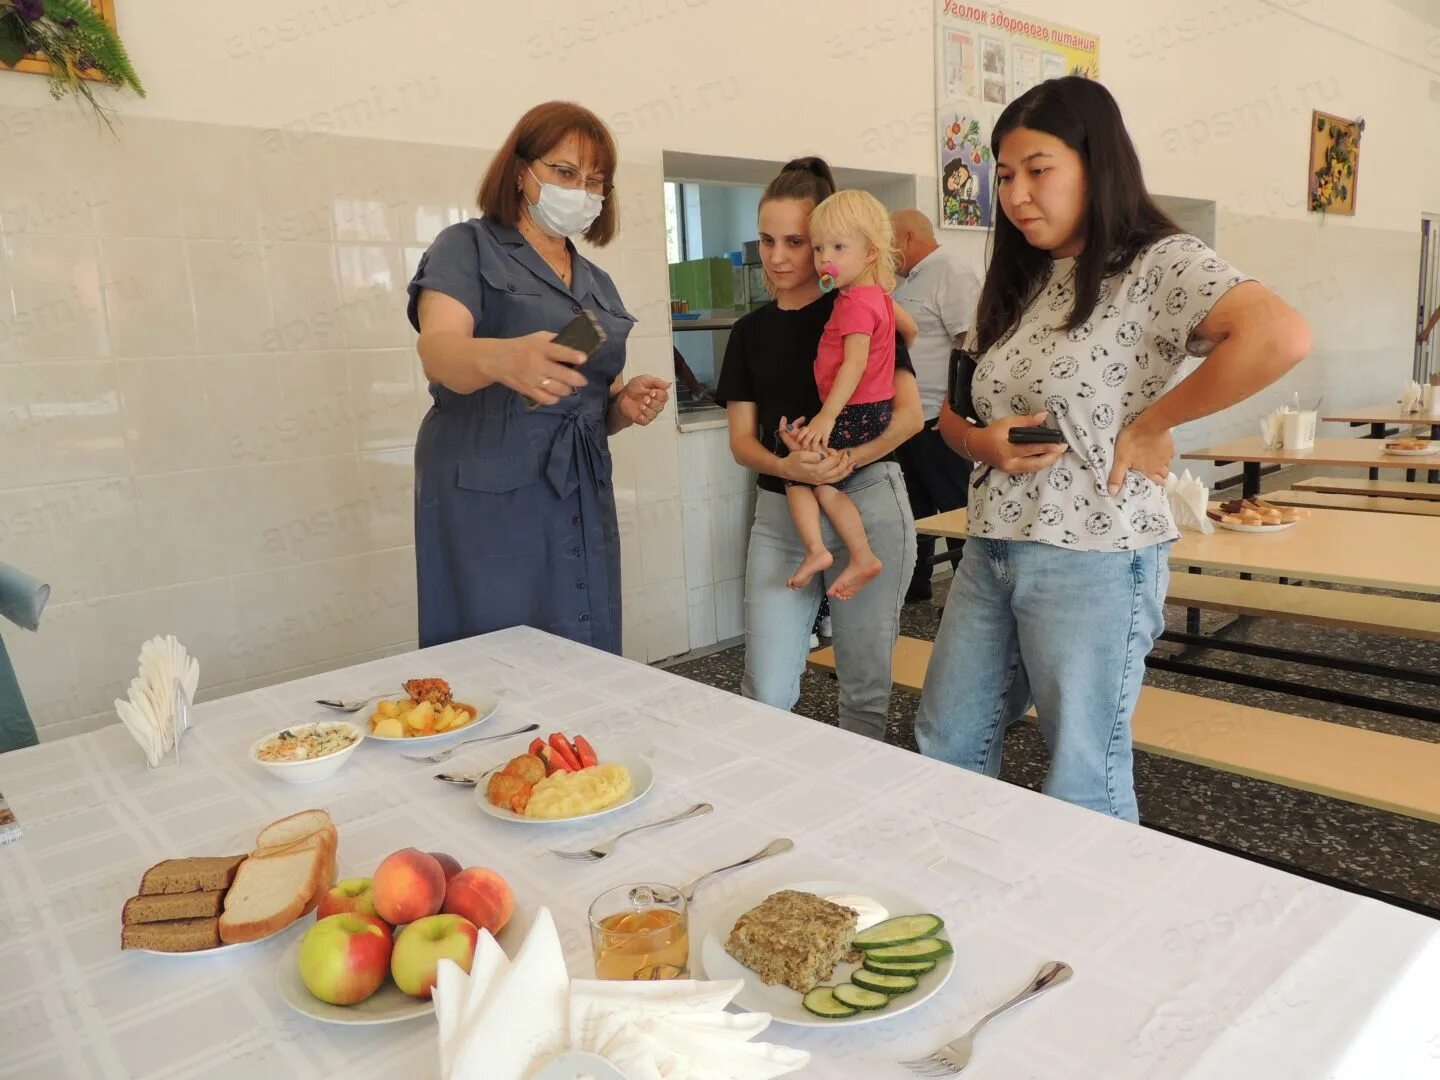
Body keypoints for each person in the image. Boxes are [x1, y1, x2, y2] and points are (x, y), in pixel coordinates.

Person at [915, 78, 1310, 821]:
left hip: (1093, 554)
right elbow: (954, 414)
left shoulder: (1157, 261)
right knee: (947, 736)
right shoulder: (1022, 276)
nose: (1017, 193)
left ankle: (1090, 931)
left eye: (1038, 169)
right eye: (1003, 175)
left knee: (1079, 770)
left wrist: (1155, 424)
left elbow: (1280, 335)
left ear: (1097, 165)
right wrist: (983, 444)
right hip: (993, 542)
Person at [407, 101, 671, 653]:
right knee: (497, 655)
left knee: (585, 645)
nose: (582, 190)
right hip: (489, 494)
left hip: (576, 493)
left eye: (595, 180)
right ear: (521, 170)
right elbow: (438, 350)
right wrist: (501, 359)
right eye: (565, 172)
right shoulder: (469, 247)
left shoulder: (596, 283)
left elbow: (581, 398)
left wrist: (623, 408)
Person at [715, 157, 924, 742]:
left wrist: (846, 460)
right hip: (784, 518)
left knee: (863, 690)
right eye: (765, 240)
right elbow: (740, 441)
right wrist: (789, 466)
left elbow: (910, 417)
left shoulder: (860, 310)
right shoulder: (749, 333)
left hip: (870, 505)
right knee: (766, 692)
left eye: (796, 241)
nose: (777, 256)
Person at [786, 190, 918, 600]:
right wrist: (891, 351)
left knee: (801, 474)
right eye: (820, 247)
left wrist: (827, 416)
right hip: (870, 408)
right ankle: (846, 554)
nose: (826, 258)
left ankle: (831, 552)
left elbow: (854, 364)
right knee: (823, 475)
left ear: (870, 252)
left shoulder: (855, 305)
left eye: (839, 247)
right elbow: (910, 330)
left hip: (852, 411)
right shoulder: (878, 294)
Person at [891, 208, 982, 602]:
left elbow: (971, 343)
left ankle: (973, 593)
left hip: (937, 418)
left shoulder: (951, 269)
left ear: (907, 238)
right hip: (908, 419)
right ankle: (915, 587)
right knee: (915, 510)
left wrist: (955, 408)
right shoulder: (909, 280)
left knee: (955, 509)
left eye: (887, 241)